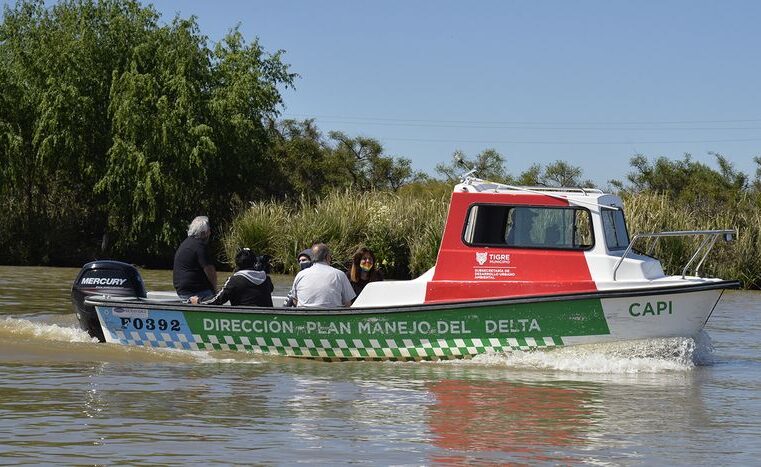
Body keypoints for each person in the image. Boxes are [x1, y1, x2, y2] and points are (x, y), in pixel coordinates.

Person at [191, 248, 273, 306]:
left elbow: (218, 300)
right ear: (254, 262)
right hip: (267, 321)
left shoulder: (234, 281)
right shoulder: (266, 279)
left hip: (244, 320)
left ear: (237, 263)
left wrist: (198, 301)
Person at [290, 243, 355, 308]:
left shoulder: (300, 275)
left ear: (312, 257)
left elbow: (295, 300)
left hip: (304, 316)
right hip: (331, 316)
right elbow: (348, 303)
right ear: (327, 257)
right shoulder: (339, 274)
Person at [173, 216, 217, 301]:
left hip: (182, 291)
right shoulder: (200, 246)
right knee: (219, 298)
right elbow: (210, 271)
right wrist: (215, 291)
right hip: (196, 292)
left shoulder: (185, 243)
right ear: (204, 233)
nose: (210, 233)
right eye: (209, 231)